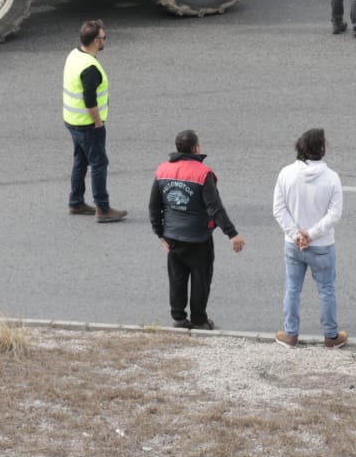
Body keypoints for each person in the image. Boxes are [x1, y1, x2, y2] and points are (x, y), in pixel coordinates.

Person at [149, 129, 244, 331]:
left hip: (173, 237)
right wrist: (232, 233)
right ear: (195, 148)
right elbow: (215, 208)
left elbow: (154, 206)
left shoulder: (162, 170)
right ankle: (199, 320)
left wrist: (160, 234)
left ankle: (178, 318)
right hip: (199, 238)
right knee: (201, 280)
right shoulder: (203, 173)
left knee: (177, 279)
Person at [272, 127, 347, 349]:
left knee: (292, 289)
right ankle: (331, 336)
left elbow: (278, 209)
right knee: (326, 290)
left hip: (293, 245)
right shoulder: (331, 178)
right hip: (322, 245)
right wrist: (311, 234)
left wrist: (296, 234)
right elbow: (334, 214)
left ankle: (291, 334)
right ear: (321, 149)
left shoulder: (286, 174)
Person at [62, 19, 127, 223]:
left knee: (81, 161)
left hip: (72, 120)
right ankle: (103, 208)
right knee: (99, 163)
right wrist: (98, 122)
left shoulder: (74, 55)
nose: (105, 40)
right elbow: (89, 99)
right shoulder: (90, 68)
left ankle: (76, 203)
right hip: (87, 124)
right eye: (104, 37)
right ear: (96, 41)